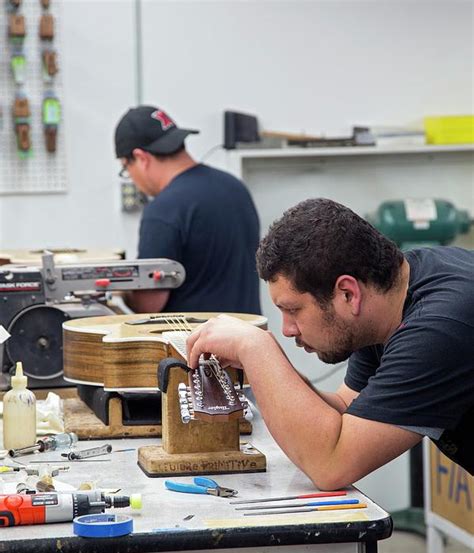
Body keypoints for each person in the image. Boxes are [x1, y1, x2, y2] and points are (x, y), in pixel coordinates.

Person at [186, 198, 474, 488]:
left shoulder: (439, 327)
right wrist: (268, 372)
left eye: (293, 310)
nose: (287, 329)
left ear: (347, 293)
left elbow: (330, 464)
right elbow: (343, 409)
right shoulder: (388, 302)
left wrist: (256, 348)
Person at [114, 105, 261, 314]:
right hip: (249, 338)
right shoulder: (234, 187)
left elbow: (149, 303)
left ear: (141, 158)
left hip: (198, 343)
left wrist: (120, 287)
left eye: (126, 168)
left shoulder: (163, 209)